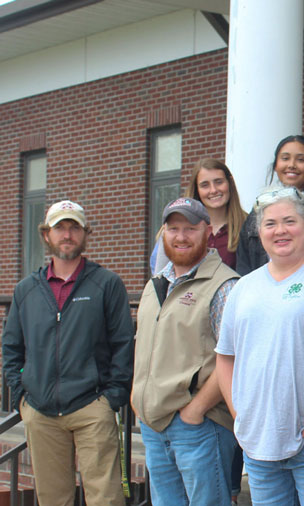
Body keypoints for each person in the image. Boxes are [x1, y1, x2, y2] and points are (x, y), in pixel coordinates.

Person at [2, 200, 132, 506]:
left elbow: (123, 344)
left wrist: (112, 397)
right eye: (60, 227)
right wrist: (22, 396)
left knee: (106, 499)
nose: (67, 234)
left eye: (74, 227)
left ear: (85, 234)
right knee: (53, 500)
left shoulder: (107, 284)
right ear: (46, 235)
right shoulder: (26, 290)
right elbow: (11, 348)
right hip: (41, 411)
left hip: (92, 407)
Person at [216, 187, 304, 505]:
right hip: (258, 442)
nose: (280, 230)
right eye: (270, 223)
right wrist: (238, 414)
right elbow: (225, 358)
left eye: (289, 221)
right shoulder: (243, 288)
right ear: (259, 232)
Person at [132, 197, 239, 505]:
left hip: (199, 426)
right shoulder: (156, 285)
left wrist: (195, 411)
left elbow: (233, 359)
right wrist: (136, 396)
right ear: (163, 233)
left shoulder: (224, 286)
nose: (181, 236)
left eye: (190, 228)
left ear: (207, 231)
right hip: (154, 425)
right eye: (173, 228)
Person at [236, 135, 304, 275]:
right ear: (276, 166)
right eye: (285, 158)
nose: (291, 165)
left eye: (300, 159)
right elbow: (243, 260)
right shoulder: (260, 207)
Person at [151, 158, 247, 275]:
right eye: (205, 185)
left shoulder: (247, 226)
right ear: (197, 189)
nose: (213, 190)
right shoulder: (172, 230)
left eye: (219, 182)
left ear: (229, 182)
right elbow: (159, 277)